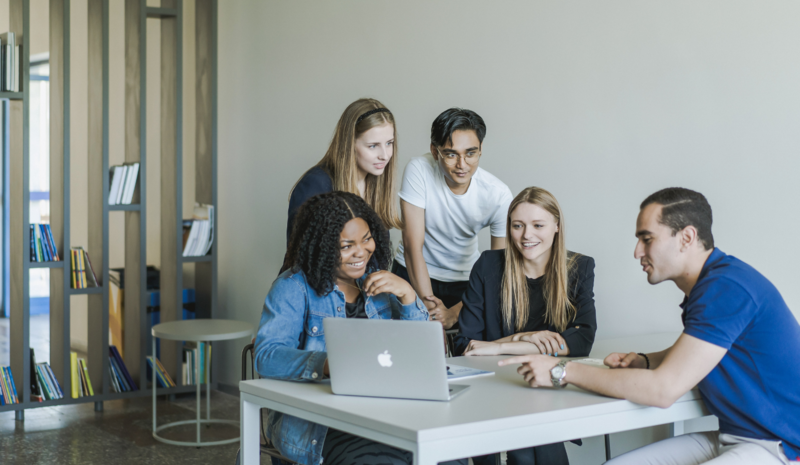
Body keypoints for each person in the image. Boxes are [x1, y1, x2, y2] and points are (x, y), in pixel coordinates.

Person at [500, 187, 800, 465]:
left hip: (779, 447)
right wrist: (647, 360)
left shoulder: (725, 289)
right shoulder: (714, 282)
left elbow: (663, 390)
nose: (637, 252)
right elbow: (709, 348)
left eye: (647, 239)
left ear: (686, 238)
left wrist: (561, 371)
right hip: (737, 436)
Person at [255, 191, 465, 465]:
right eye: (346, 246)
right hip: (323, 424)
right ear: (322, 246)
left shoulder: (379, 283)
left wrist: (408, 295)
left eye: (367, 239)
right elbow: (266, 356)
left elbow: (421, 352)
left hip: (390, 412)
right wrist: (329, 363)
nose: (361, 252)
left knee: (451, 456)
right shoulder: (293, 287)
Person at [456, 186, 597, 465]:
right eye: (517, 225)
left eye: (538, 225)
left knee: (528, 442)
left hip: (545, 388)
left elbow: (582, 339)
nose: (526, 235)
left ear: (557, 226)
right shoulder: (488, 265)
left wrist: (501, 346)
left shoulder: (579, 268)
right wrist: (526, 337)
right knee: (527, 444)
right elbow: (465, 345)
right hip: (494, 387)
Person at [392, 108, 513, 329]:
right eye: (450, 154)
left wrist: (456, 312)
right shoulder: (419, 169)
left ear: (481, 150)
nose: (462, 165)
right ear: (435, 151)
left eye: (470, 153)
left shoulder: (498, 194)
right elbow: (412, 246)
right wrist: (430, 307)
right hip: (411, 271)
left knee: (464, 353)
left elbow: (498, 268)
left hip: (466, 285)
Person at [286, 98, 402, 247]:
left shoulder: (376, 182)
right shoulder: (316, 184)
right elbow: (304, 259)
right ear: (349, 144)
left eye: (389, 143)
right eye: (373, 146)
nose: (385, 155)